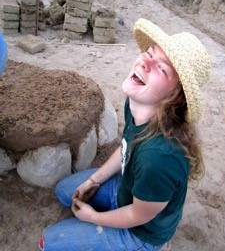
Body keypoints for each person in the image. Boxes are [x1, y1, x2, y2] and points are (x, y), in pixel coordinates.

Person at [39, 18, 211, 251]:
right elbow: (126, 147)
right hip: (126, 191)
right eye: (149, 53)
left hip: (142, 232)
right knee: (64, 192)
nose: (145, 64)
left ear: (176, 97)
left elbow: (139, 215)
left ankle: (156, 247)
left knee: (48, 243)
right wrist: (94, 180)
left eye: (161, 68)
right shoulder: (137, 104)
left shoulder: (160, 157)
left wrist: (94, 218)